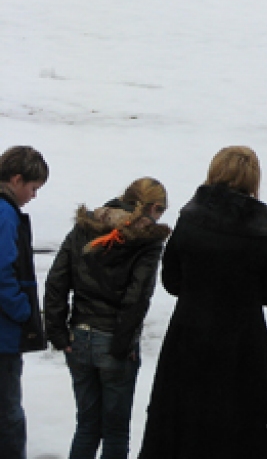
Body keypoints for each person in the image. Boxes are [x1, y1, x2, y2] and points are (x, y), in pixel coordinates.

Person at [138, 146, 267, 459]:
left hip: (189, 336)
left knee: (181, 427)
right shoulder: (263, 226)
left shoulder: (191, 217)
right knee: (241, 433)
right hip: (243, 344)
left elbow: (172, 280)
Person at [43, 178, 171, 459]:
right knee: (115, 432)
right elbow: (136, 299)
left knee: (87, 427)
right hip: (114, 340)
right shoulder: (147, 242)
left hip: (78, 337)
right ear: (153, 207)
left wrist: (58, 332)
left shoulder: (85, 226)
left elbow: (56, 281)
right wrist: (122, 345)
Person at [0, 146, 48, 459]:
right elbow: (3, 270)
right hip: (3, 335)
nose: (33, 196)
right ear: (16, 180)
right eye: (33, 188)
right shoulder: (5, 214)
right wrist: (23, 310)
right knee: (8, 412)